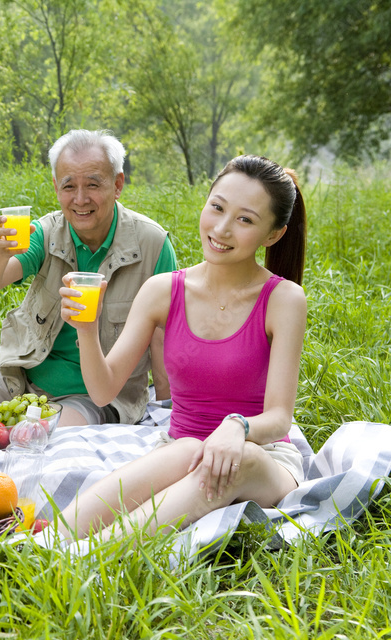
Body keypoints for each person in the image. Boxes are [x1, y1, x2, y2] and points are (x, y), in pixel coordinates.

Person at [60, 155, 308, 541]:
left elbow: (279, 417)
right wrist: (87, 330)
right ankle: (39, 547)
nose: (222, 229)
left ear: (272, 235)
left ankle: (89, 558)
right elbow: (103, 390)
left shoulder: (284, 299)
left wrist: (236, 427)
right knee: (189, 449)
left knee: (233, 460)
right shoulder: (163, 290)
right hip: (181, 448)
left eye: (245, 219)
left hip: (261, 458)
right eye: (217, 207)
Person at [0, 129, 178, 427]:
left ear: (118, 184)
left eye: (93, 184)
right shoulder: (43, 233)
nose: (81, 199)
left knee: (38, 437)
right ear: (56, 187)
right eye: (69, 186)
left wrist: (166, 413)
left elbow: (163, 339)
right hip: (21, 376)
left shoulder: (153, 245)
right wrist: (0, 251)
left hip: (96, 396)